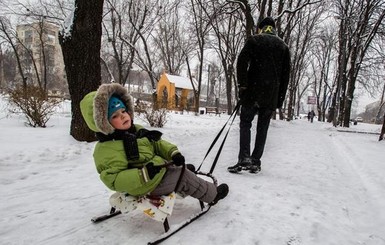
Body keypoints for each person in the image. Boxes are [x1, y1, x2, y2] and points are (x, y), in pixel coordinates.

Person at [80, 83, 228, 206]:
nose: (123, 116)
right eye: (115, 115)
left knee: (178, 168)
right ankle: (212, 194)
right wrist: (142, 175)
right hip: (144, 186)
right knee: (183, 176)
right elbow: (114, 180)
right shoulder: (107, 149)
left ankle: (179, 173)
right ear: (103, 124)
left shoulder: (135, 131)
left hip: (155, 174)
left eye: (123, 111)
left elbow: (156, 144)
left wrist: (173, 153)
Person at [228, 16, 291, 174]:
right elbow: (286, 76)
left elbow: (241, 61)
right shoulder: (283, 46)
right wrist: (279, 99)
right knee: (262, 128)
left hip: (252, 92)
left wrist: (242, 85)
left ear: (261, 28)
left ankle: (244, 158)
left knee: (245, 124)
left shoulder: (254, 40)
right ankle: (255, 162)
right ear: (273, 28)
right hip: (270, 96)